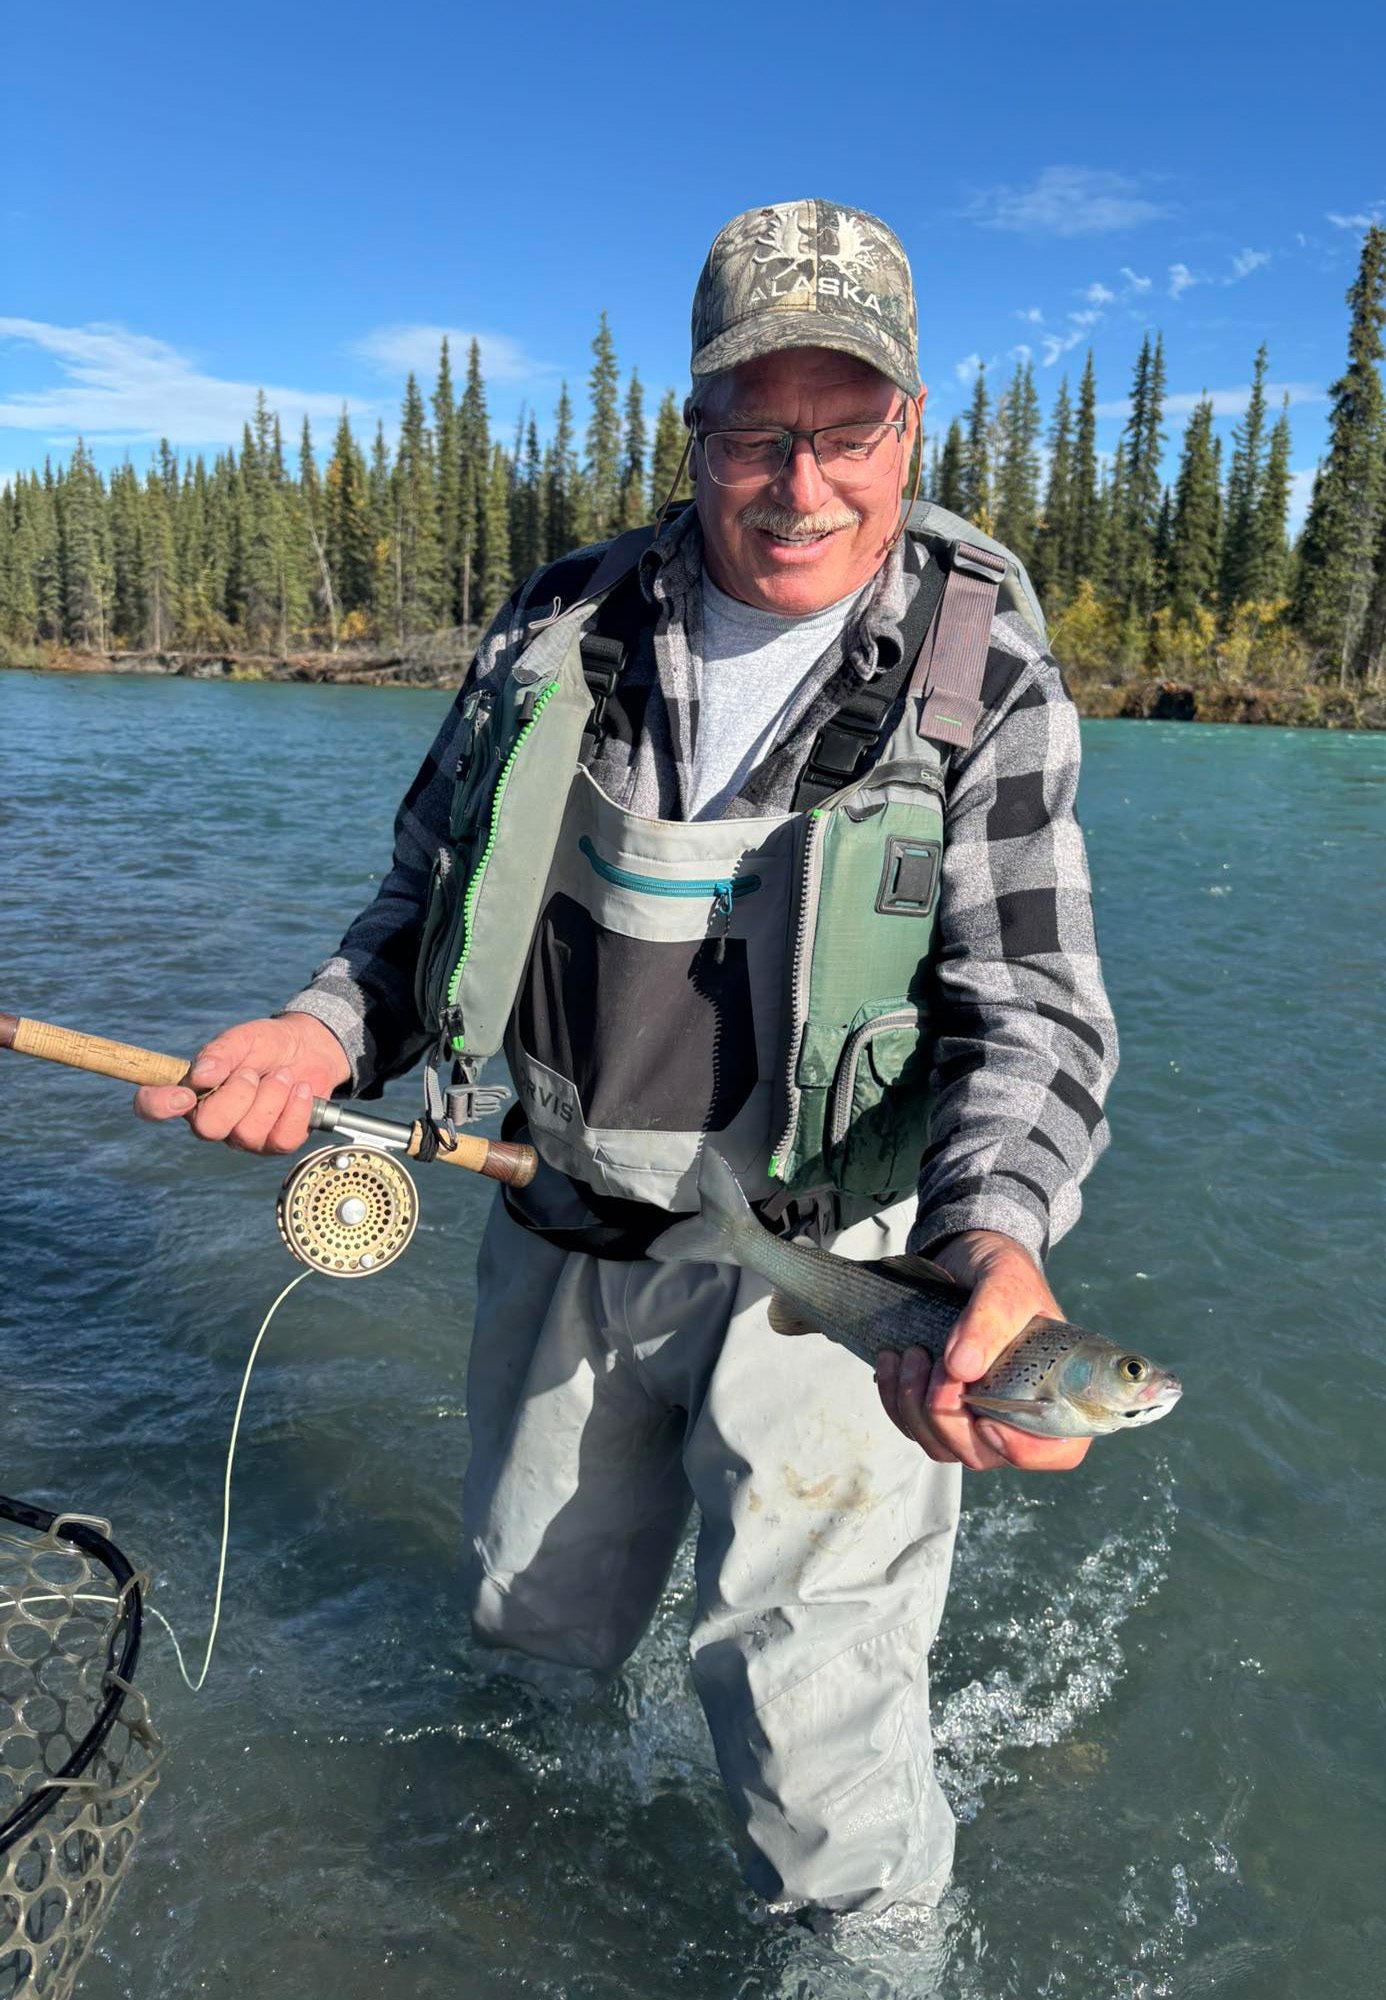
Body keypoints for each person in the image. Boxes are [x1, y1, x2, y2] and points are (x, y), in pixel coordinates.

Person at [135, 199, 1118, 1916]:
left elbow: (1030, 1006)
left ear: (910, 426)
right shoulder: (559, 626)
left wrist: (996, 1245)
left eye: (847, 429)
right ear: (694, 426)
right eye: (755, 432)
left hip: (840, 1268)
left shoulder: (982, 668)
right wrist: (320, 1029)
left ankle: (871, 1950)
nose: (802, 485)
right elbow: (424, 901)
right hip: (565, 1222)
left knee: (821, 1776)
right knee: (526, 1643)